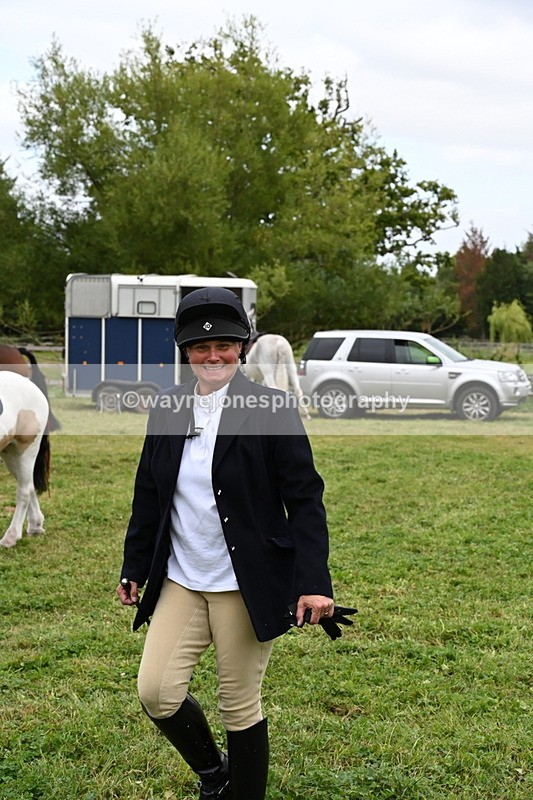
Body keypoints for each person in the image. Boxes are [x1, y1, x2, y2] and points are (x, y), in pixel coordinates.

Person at [116, 287, 336, 800]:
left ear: (243, 346)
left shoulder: (271, 409)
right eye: (200, 347)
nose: (213, 356)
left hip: (245, 580)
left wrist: (313, 582)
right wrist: (135, 565)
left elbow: (305, 499)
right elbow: (149, 491)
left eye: (225, 346)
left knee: (239, 702)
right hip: (183, 579)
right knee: (157, 691)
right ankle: (216, 776)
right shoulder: (167, 407)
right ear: (184, 350)